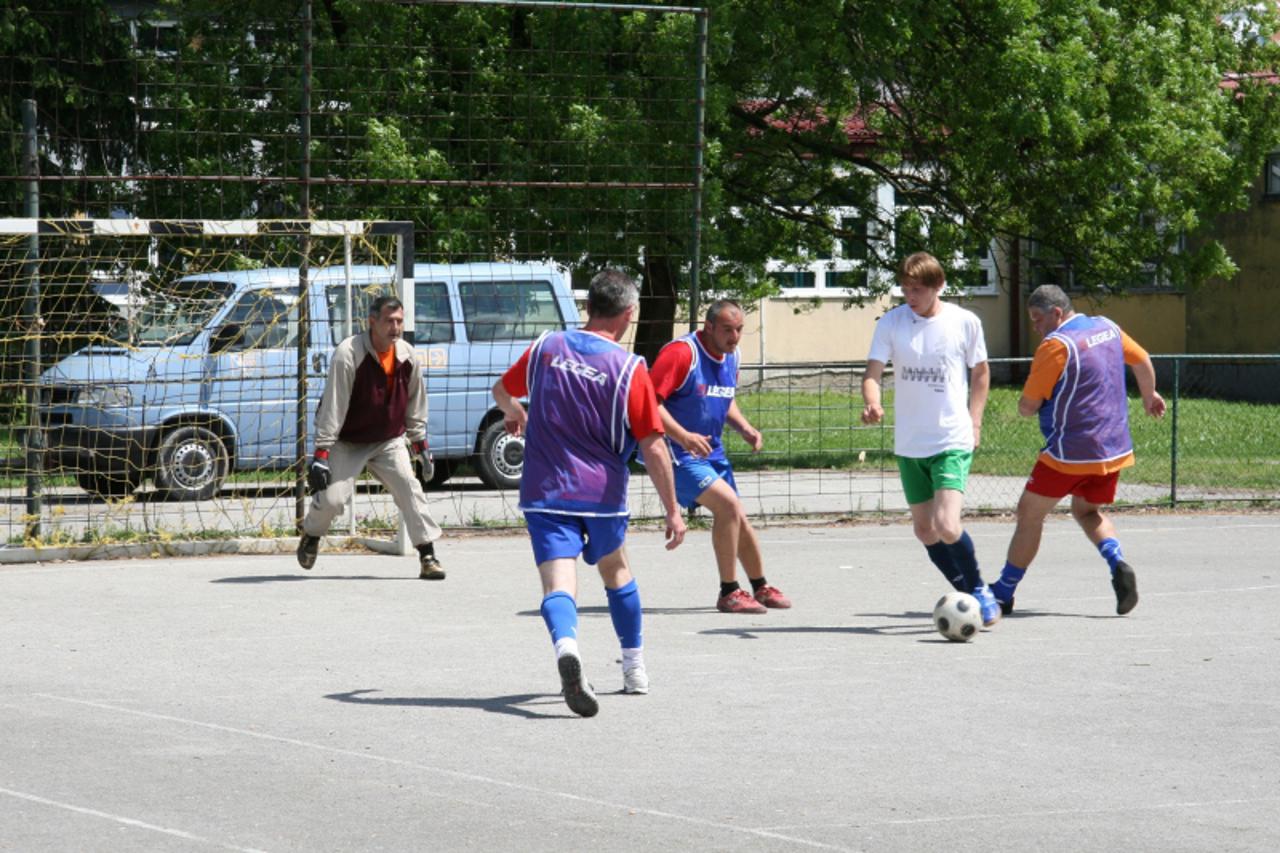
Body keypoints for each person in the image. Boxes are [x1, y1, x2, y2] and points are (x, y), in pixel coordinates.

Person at [491, 268, 686, 718]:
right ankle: (634, 667)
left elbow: (502, 389)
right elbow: (654, 445)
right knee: (616, 573)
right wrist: (673, 509)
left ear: (589, 307)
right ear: (629, 314)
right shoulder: (630, 368)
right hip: (601, 495)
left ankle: (567, 646)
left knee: (558, 582)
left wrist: (513, 409)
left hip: (544, 489)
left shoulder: (547, 348)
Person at [990, 284, 1166, 616]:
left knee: (1029, 514)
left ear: (1057, 313)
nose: (1035, 327)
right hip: (1112, 450)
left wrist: (1026, 406)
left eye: (1038, 318)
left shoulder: (1056, 345)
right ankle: (1117, 562)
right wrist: (1150, 396)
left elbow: (1028, 405)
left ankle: (1003, 592)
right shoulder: (1107, 327)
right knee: (1086, 511)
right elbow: (1141, 359)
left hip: (1068, 453)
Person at [861, 251, 1000, 625]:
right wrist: (872, 403)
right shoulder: (892, 323)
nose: (910, 295)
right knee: (925, 530)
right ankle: (966, 591)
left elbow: (981, 374)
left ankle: (981, 591)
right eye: (905, 288)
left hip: (950, 438)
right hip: (910, 443)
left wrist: (975, 423)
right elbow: (873, 372)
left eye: (918, 289)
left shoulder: (964, 322)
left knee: (947, 525)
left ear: (938, 286)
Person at [649, 299, 790, 614]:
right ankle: (729, 591)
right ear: (708, 327)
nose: (735, 336)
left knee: (737, 515)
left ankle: (760, 586)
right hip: (677, 454)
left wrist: (744, 427)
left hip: (712, 451)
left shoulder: (732, 355)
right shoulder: (681, 354)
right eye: (727, 329)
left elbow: (724, 398)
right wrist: (682, 435)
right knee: (728, 505)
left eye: (739, 329)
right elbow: (650, 402)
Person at [297, 295, 445, 579]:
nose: (396, 327)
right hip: (347, 439)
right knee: (332, 500)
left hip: (387, 439)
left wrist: (421, 446)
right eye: (389, 321)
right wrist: (321, 454)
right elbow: (333, 406)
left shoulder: (408, 356)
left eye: (400, 321)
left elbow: (415, 406)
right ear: (372, 322)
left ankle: (428, 556)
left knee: (409, 488)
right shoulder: (348, 353)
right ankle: (311, 535)